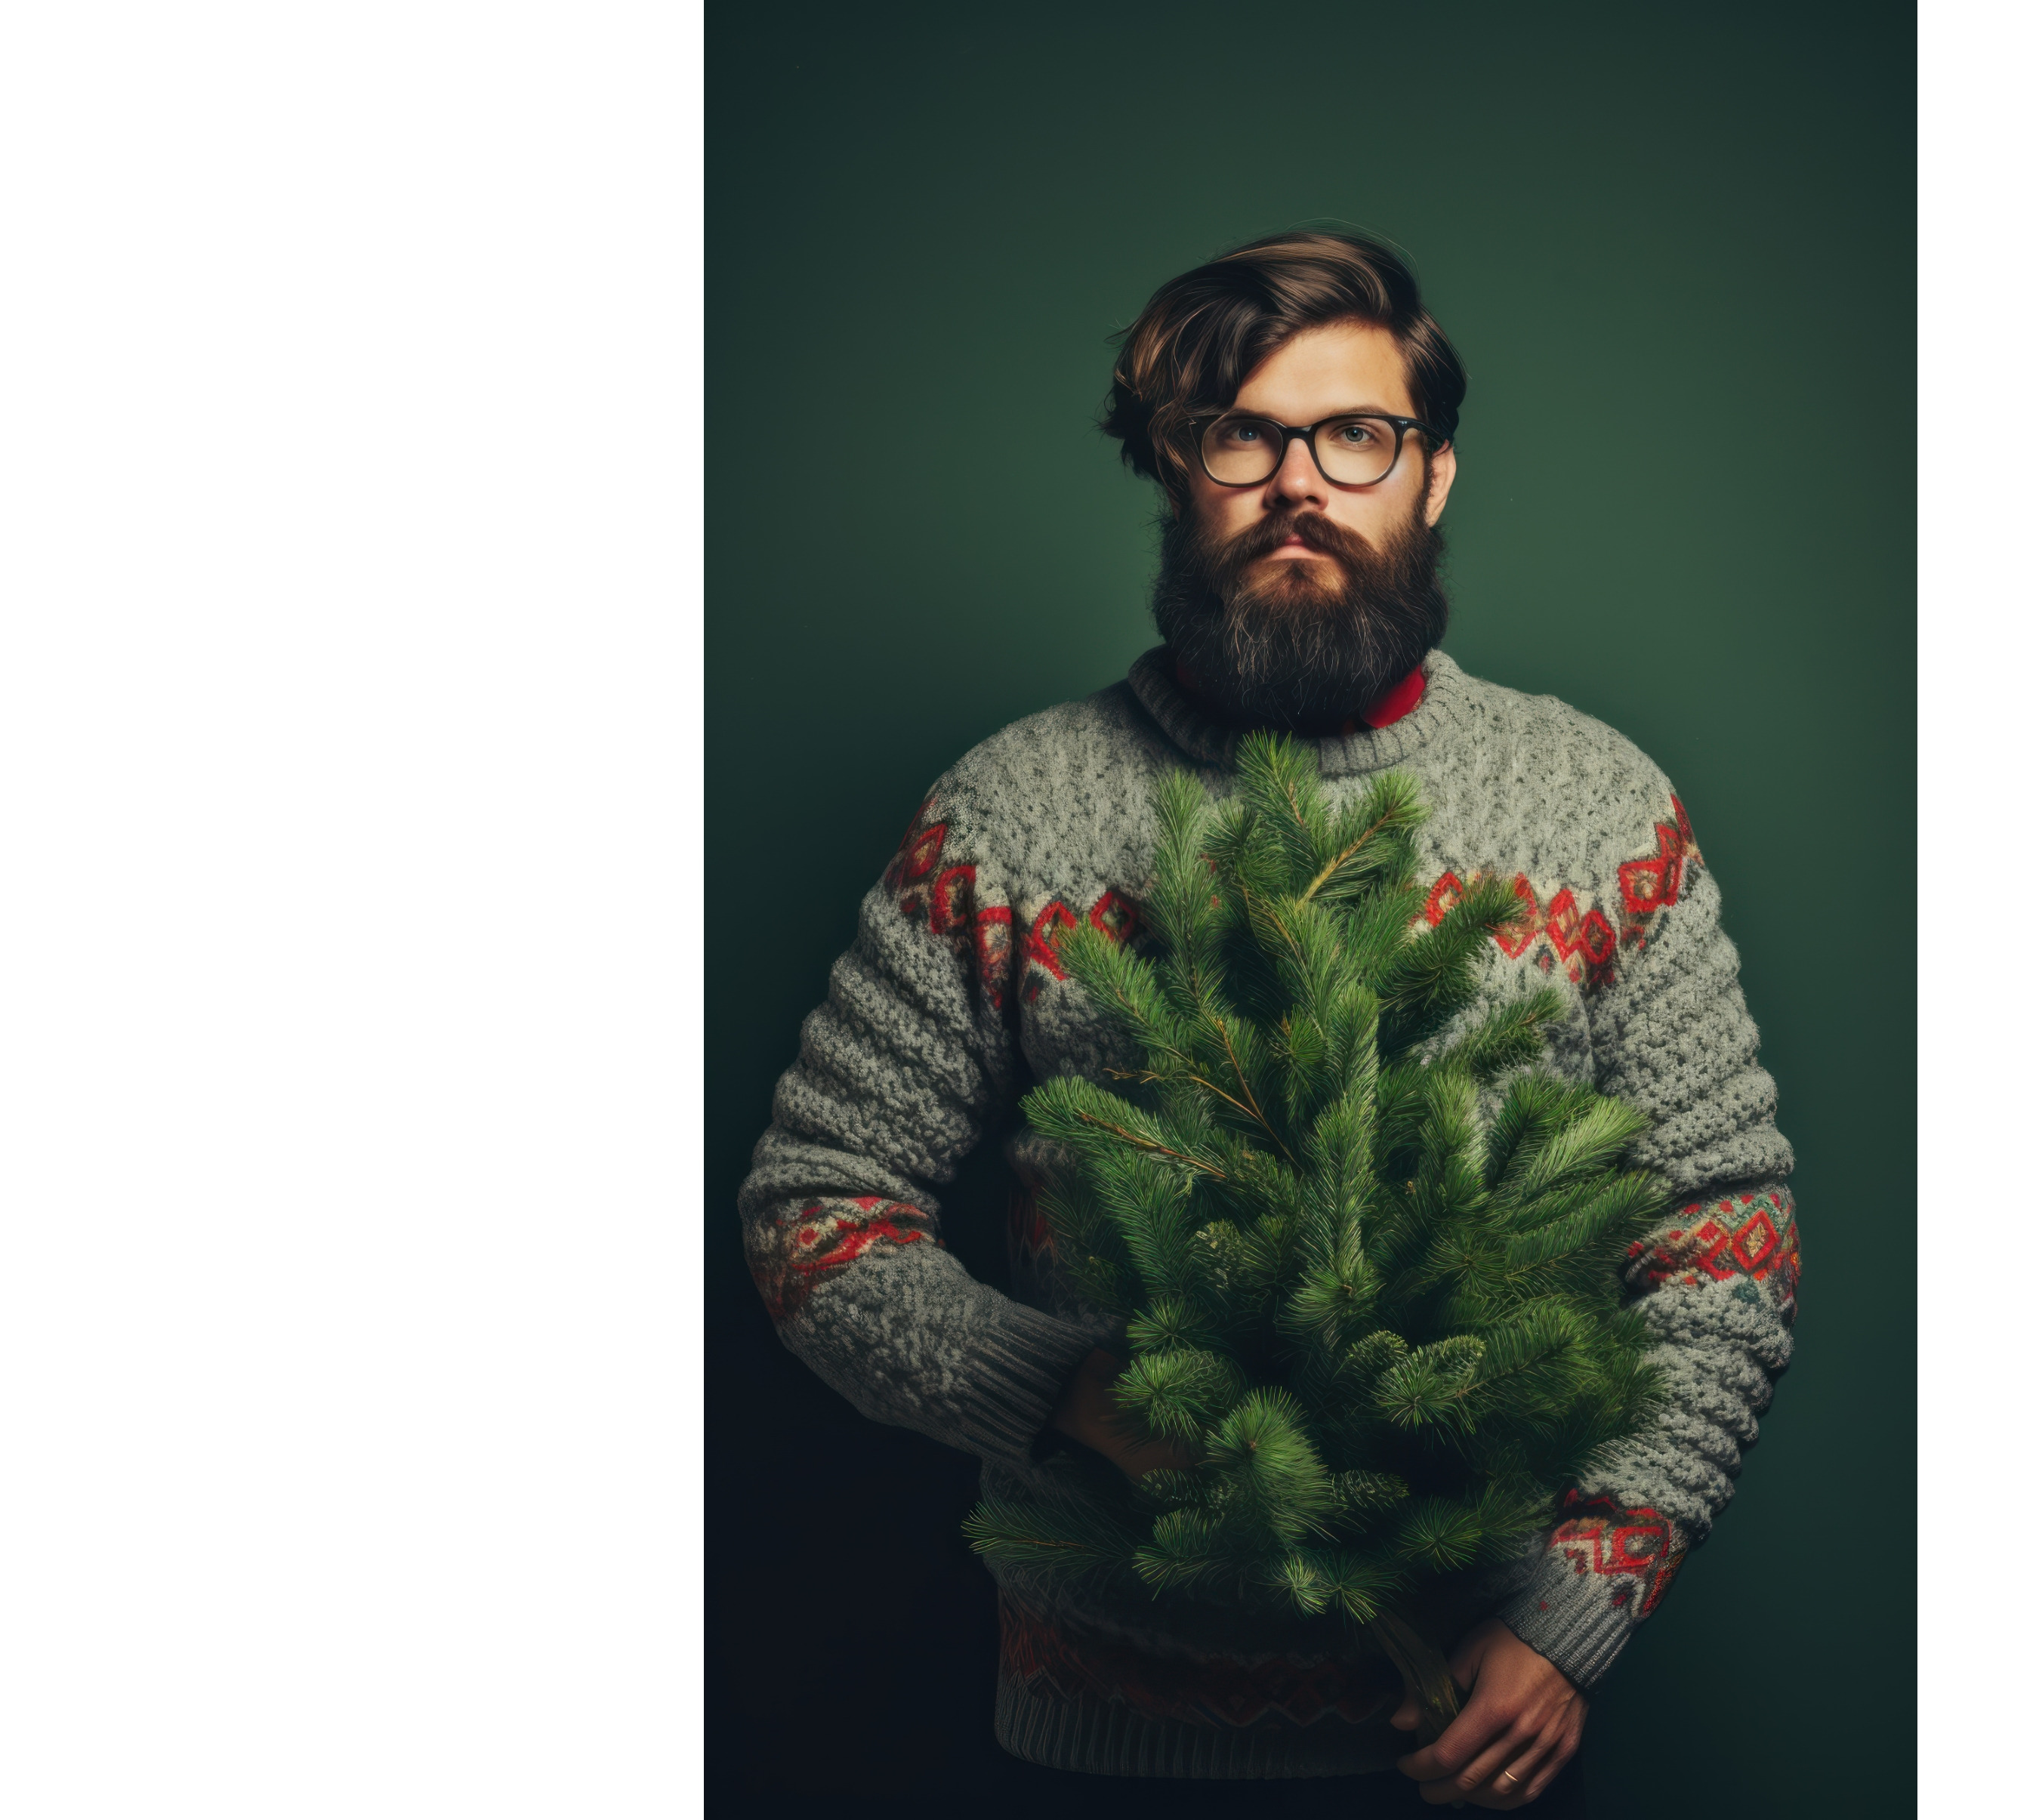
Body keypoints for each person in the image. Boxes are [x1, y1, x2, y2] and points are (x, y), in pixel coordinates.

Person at [739, 229, 1800, 1812]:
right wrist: (1068, 1395)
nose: (1299, 482)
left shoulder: (1598, 806)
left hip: (1476, 1720)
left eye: (1355, 433)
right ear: (1173, 470)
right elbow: (815, 1208)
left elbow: (1724, 1228)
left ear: (1431, 473)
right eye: (1241, 434)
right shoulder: (1010, 813)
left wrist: (1578, 1612)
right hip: (1100, 1738)